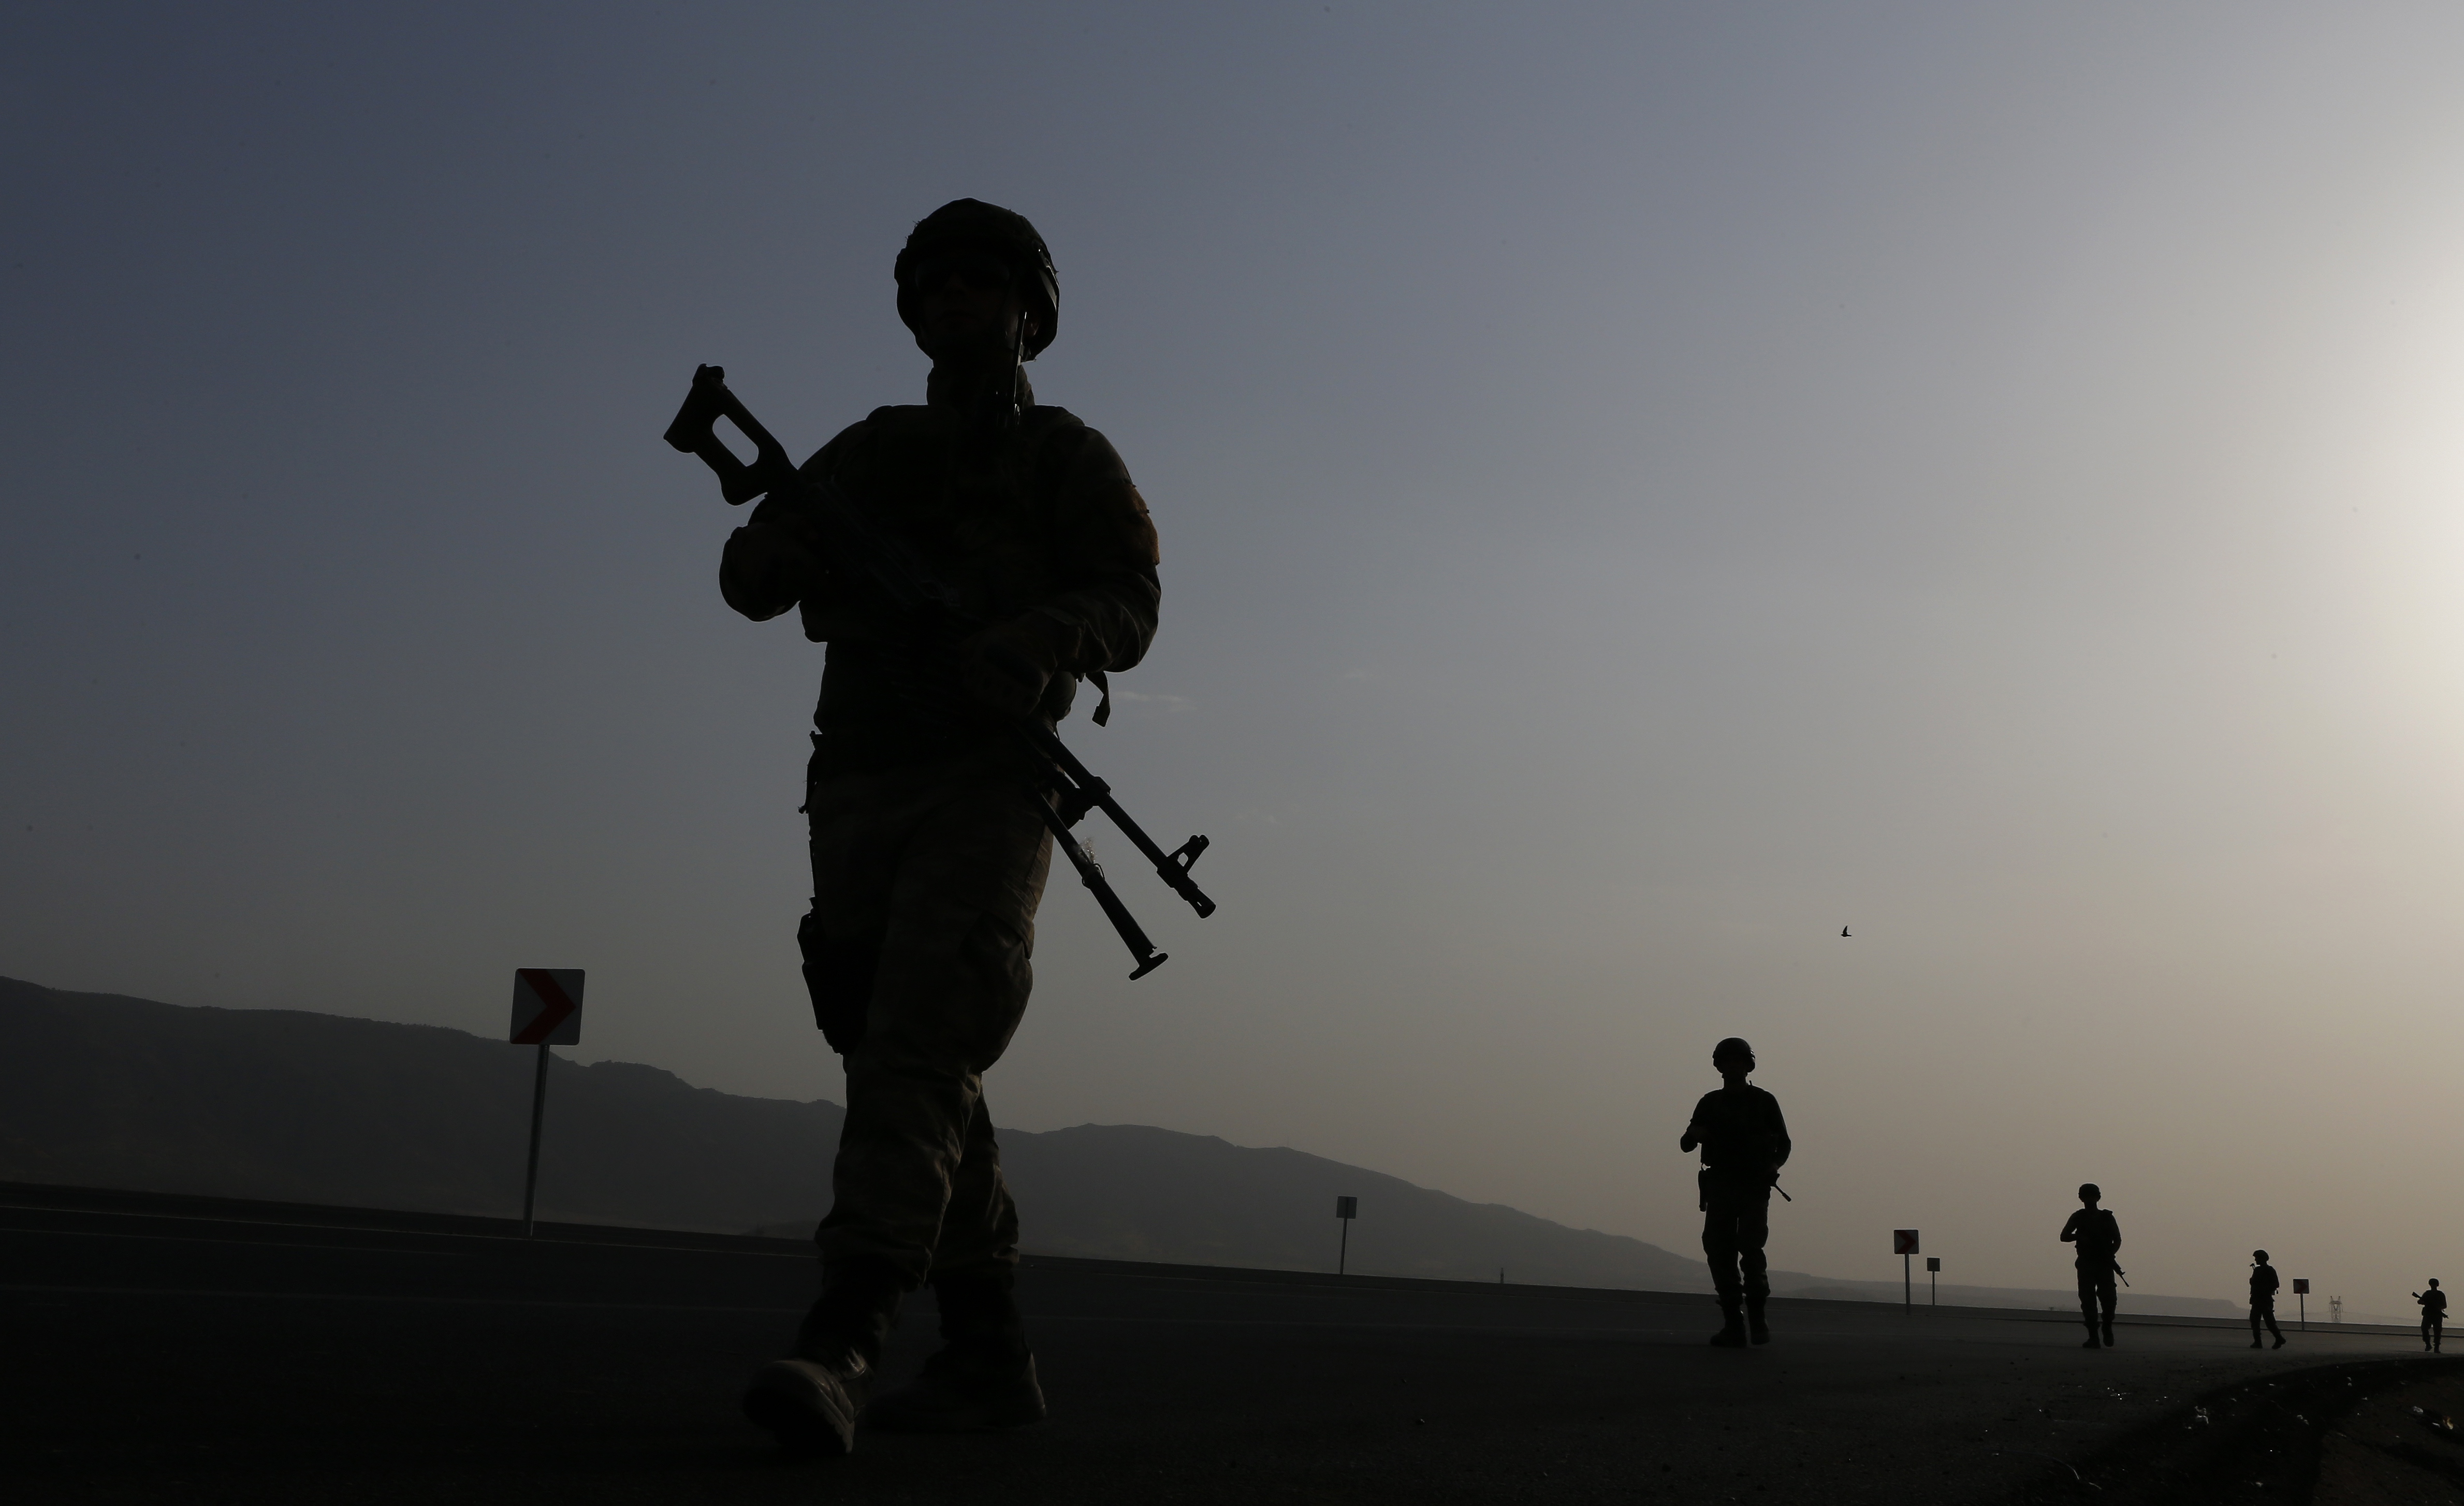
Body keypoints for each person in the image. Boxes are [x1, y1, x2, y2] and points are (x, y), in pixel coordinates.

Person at [722, 200, 1163, 1454]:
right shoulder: (865, 452)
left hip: (986, 778)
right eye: (934, 282)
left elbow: (1128, 596)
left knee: (919, 1032)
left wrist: (1036, 640)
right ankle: (984, 1354)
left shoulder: (1066, 456)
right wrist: (770, 545)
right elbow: (751, 581)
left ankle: (842, 1335)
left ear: (1031, 311)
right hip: (857, 774)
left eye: (983, 280)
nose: (955, 298)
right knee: (887, 1044)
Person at [1680, 1037, 1791, 1348]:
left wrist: (1773, 1165)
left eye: (1737, 1061)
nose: (1732, 1066)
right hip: (1721, 1186)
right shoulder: (1710, 1103)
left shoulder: (1764, 1101)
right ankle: (1734, 1324)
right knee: (1718, 1251)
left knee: (1751, 1248)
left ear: (1747, 1064)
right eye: (1726, 1061)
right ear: (1719, 1066)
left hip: (1754, 1185)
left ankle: (1757, 1319)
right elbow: (1686, 1144)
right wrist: (1695, 1134)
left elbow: (1784, 1143)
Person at [2059, 1185, 2121, 1349]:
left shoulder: (2107, 1217)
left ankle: (2107, 1326)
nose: (2090, 1200)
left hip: (2104, 1264)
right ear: (2081, 1198)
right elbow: (2064, 1236)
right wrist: (2079, 1237)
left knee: (2109, 1300)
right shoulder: (2078, 1217)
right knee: (2088, 1301)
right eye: (2086, 1196)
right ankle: (2093, 1337)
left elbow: (2117, 1240)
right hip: (2086, 1264)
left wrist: (2110, 1255)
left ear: (2098, 1198)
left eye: (2093, 1196)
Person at [2248, 1251, 2286, 1349]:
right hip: (2258, 1299)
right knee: (2256, 1321)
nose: (2256, 1260)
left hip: (2264, 1300)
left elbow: (2275, 1284)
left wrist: (2263, 1287)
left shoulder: (2269, 1270)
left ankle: (2277, 1338)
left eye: (2257, 1258)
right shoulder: (2258, 1270)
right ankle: (2260, 1342)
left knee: (2268, 1322)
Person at [2416, 1279, 2446, 1352]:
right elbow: (2420, 1301)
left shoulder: (2440, 1294)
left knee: (2437, 1332)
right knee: (2424, 1328)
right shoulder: (2427, 1294)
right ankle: (2428, 1344)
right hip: (2428, 1314)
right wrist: (2423, 1302)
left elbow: (2444, 1305)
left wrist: (2438, 1308)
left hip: (2437, 1315)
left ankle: (2436, 1347)